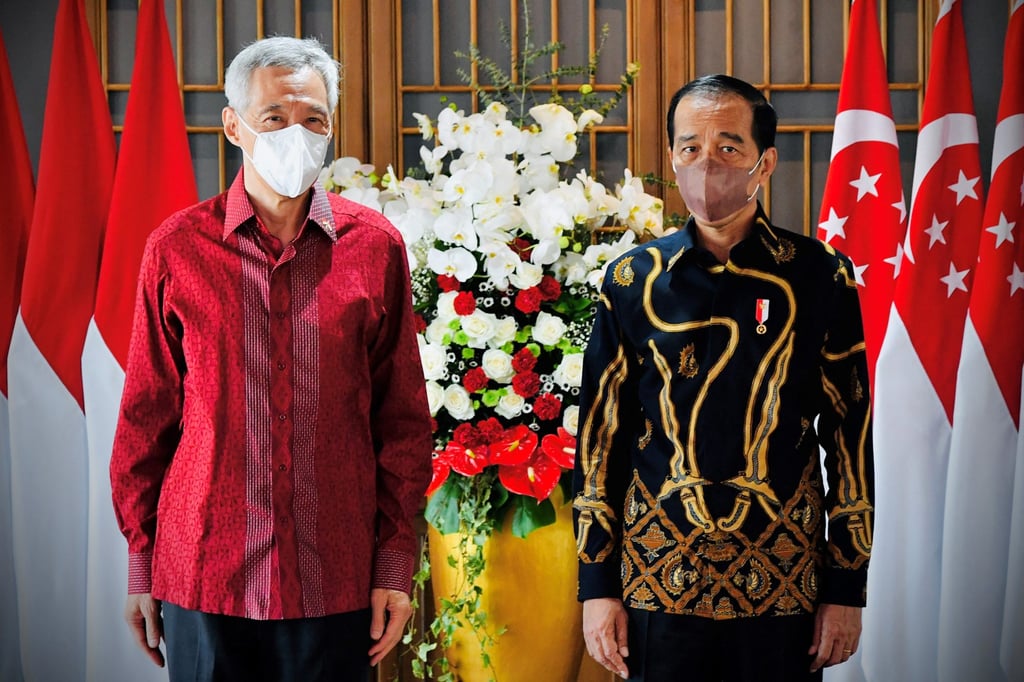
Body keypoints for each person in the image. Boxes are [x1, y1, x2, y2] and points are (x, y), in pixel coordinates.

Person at [109, 36, 432, 681]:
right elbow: (146, 417)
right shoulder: (176, 248)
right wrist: (142, 561)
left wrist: (394, 564)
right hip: (204, 575)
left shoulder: (375, 247)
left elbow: (402, 423)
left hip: (336, 576)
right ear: (234, 126)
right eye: (275, 119)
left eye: (314, 120)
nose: (297, 134)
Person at [573, 74, 873, 681]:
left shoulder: (819, 277)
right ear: (672, 157)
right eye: (690, 148)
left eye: (728, 147)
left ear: (765, 162)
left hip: (785, 582)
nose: (706, 164)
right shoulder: (632, 281)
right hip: (657, 581)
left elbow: (849, 437)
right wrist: (595, 585)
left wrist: (848, 587)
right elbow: (600, 438)